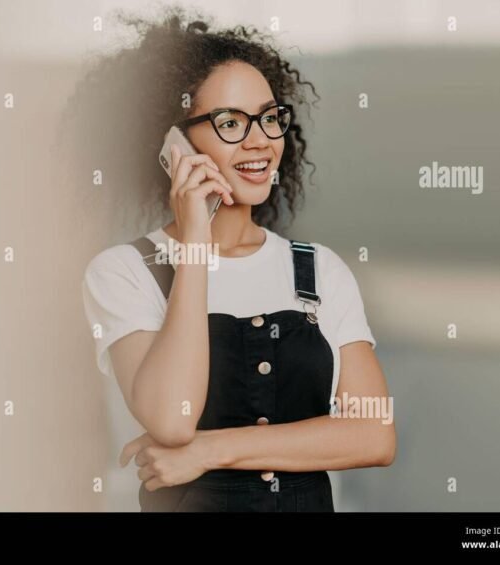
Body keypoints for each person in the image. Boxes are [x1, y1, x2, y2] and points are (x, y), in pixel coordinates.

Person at [78, 7, 395, 512]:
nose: (261, 140)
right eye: (230, 122)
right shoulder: (121, 272)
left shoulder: (319, 269)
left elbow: (374, 435)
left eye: (269, 117)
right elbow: (172, 419)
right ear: (170, 144)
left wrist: (210, 450)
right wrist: (197, 245)